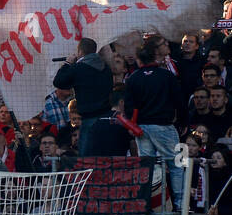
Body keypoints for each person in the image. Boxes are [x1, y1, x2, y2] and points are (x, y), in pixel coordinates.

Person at [126, 37, 187, 204]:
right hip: (164, 127)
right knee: (176, 165)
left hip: (142, 129)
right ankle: (180, 205)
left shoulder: (133, 78)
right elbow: (179, 102)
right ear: (154, 54)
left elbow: (130, 108)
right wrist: (182, 122)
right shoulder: (167, 76)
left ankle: (147, 205)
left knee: (147, 166)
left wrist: (133, 126)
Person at [53, 38, 114, 156]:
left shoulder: (78, 68)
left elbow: (59, 82)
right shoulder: (106, 68)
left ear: (80, 51)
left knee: (86, 158)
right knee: (104, 156)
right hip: (106, 118)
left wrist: (67, 64)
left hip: (89, 118)